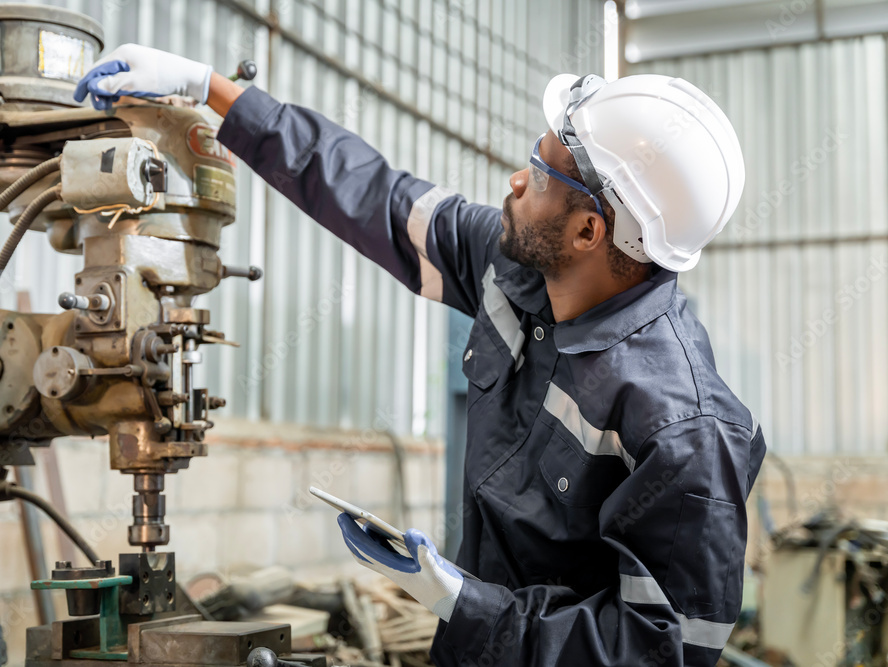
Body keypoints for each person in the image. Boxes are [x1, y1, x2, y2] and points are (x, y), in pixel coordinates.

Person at [76, 44, 766, 667]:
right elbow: (371, 191)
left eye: (540, 170)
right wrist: (209, 88)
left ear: (590, 228)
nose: (516, 183)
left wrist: (463, 601)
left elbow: (657, 653)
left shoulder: (685, 428)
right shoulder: (517, 271)